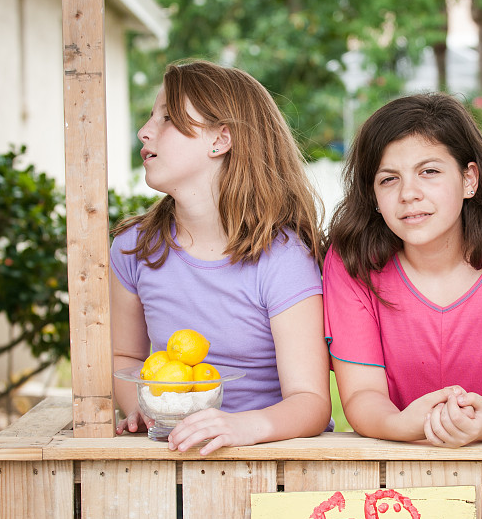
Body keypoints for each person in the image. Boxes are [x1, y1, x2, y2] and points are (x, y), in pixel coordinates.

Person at [110, 60, 332, 455]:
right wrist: (139, 409)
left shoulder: (282, 259)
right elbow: (125, 356)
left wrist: (238, 427)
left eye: (168, 118)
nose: (145, 131)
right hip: (173, 459)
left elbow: (311, 402)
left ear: (220, 140)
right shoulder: (133, 248)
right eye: (149, 117)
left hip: (270, 462)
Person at [323, 93, 482, 448]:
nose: (409, 193)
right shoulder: (351, 262)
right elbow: (362, 394)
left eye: (429, 172)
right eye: (389, 179)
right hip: (395, 479)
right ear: (372, 194)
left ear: (469, 179)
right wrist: (405, 425)